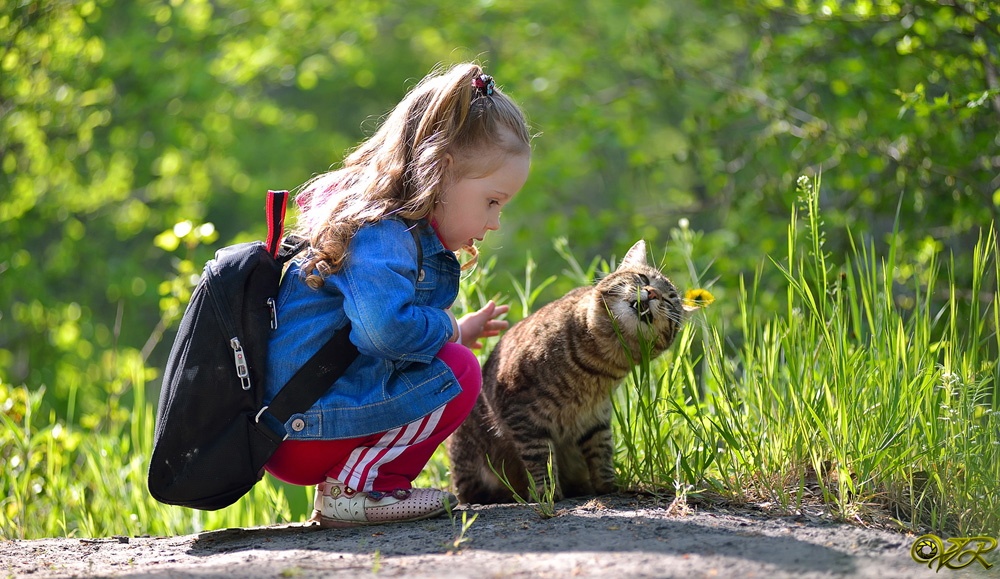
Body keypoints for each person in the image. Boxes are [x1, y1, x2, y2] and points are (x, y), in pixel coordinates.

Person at [263, 63, 532, 528]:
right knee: (461, 372)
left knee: (453, 359)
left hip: (304, 421)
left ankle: (358, 484)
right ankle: (359, 491)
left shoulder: (381, 224)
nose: (494, 223)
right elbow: (384, 330)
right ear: (440, 172)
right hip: (301, 429)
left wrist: (458, 329)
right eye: (492, 201)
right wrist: (449, 330)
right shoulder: (381, 232)